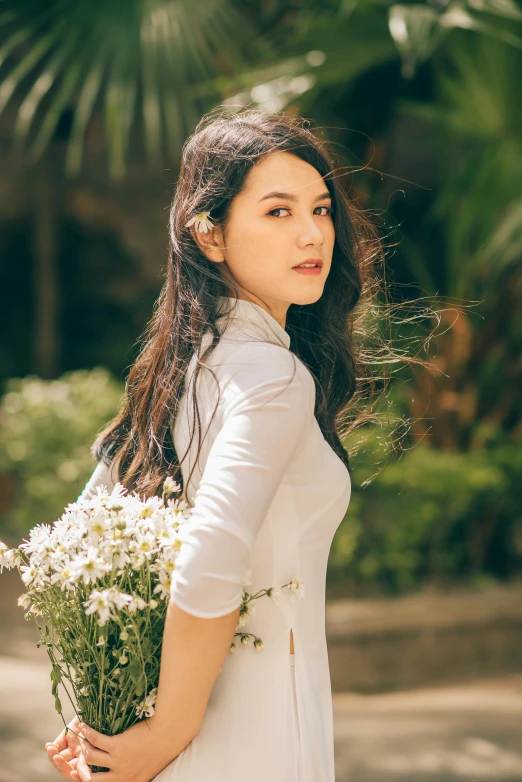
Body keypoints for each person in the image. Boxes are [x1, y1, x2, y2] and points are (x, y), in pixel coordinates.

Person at [44, 107, 376, 781]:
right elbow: (210, 556)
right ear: (210, 235)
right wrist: (168, 730)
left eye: (321, 208)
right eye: (278, 212)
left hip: (162, 729)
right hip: (251, 734)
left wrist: (106, 714)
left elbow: (76, 544)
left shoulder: (181, 368)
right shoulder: (274, 377)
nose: (314, 233)